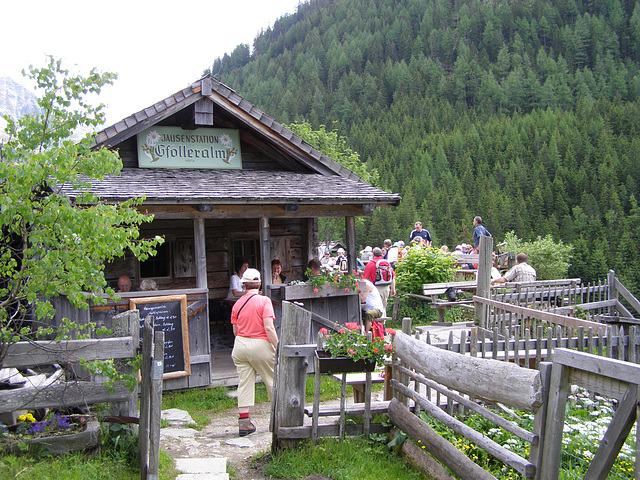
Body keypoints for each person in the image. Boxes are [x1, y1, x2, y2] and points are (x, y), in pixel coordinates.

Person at [230, 268, 278, 436]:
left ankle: (244, 422)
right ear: (259, 284)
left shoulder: (237, 304)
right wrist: (278, 346)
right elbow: (269, 328)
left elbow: (235, 331)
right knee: (272, 379)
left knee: (244, 383)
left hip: (240, 345)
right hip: (260, 345)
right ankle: (278, 419)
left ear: (244, 285)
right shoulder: (264, 301)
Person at [362, 247, 395, 312]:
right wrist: (393, 289)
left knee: (376, 308)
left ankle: (377, 322)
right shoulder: (386, 263)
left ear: (373, 255)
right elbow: (393, 277)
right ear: (381, 254)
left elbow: (365, 277)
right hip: (386, 287)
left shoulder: (371, 263)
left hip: (375, 288)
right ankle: (383, 322)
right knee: (384, 307)